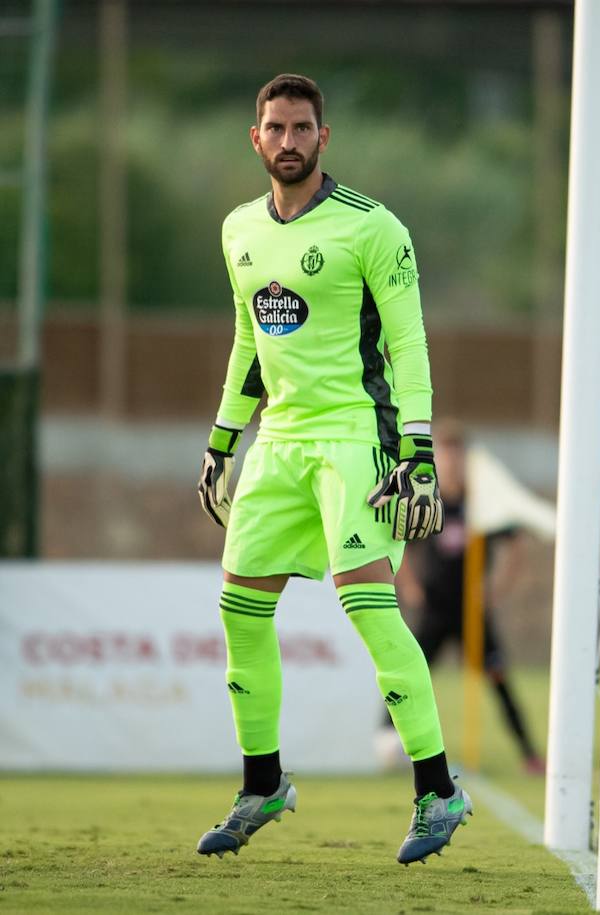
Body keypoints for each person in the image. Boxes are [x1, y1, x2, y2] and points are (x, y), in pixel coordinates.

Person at [194, 73, 471, 866]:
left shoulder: (374, 228)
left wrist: (417, 451)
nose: (288, 141)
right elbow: (250, 343)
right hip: (277, 442)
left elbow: (409, 344)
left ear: (324, 138)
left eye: (302, 128)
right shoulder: (239, 229)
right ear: (256, 139)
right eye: (275, 128)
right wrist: (222, 441)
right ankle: (263, 784)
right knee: (239, 611)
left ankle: (437, 790)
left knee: (372, 609)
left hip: (356, 436)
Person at [377, 420, 546, 775]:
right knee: (410, 673)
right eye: (445, 456)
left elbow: (515, 546)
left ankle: (529, 754)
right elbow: (400, 542)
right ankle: (385, 740)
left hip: (471, 610)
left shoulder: (482, 503)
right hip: (435, 608)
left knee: (499, 679)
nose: (451, 463)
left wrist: (496, 589)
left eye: (457, 456)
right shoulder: (427, 498)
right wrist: (408, 584)